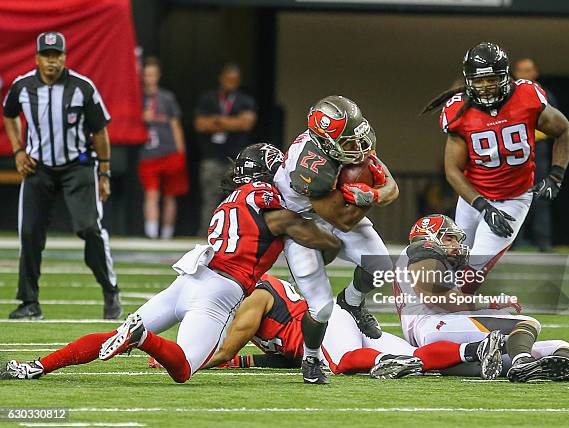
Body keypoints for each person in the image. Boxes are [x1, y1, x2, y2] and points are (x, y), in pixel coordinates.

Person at [5, 143, 342, 383]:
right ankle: (143, 338)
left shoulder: (229, 201)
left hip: (188, 281)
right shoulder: (272, 207)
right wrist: (333, 226)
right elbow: (321, 244)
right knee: (183, 370)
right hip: (218, 292)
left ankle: (35, 367)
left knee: (116, 332)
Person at [421, 42, 569, 294]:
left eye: (491, 79)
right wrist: (482, 205)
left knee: (471, 276)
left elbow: (564, 129)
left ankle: (458, 325)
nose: (484, 87)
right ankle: (433, 319)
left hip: (513, 199)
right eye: (478, 81)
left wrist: (556, 174)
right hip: (473, 198)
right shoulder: (458, 110)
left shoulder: (526, 97)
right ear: (468, 81)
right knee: (452, 264)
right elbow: (453, 171)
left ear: (505, 76)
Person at [393, 214, 569, 382]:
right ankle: (522, 361)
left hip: (442, 339)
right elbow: (437, 298)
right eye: (450, 238)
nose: (456, 245)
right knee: (527, 324)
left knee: (562, 348)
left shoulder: (435, 262)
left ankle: (554, 370)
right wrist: (491, 303)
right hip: (434, 327)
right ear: (429, 236)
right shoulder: (421, 249)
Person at [274, 95, 400, 384]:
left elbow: (391, 187)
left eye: (358, 138)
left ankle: (353, 302)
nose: (359, 147)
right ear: (326, 143)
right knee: (320, 307)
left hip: (338, 209)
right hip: (301, 223)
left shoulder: (350, 144)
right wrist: (368, 195)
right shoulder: (311, 167)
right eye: (349, 142)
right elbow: (341, 219)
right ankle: (311, 358)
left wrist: (371, 194)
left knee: (380, 266)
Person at [2, 32, 121, 320]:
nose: (52, 62)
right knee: (29, 233)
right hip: (38, 167)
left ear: (65, 57)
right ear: (37, 58)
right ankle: (29, 302)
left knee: (89, 228)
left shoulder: (83, 88)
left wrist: (104, 172)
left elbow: (100, 131)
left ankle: (110, 290)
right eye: (47, 55)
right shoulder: (22, 86)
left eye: (57, 56)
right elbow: (9, 114)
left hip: (77, 166)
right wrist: (18, 151)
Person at [198, 274, 505, 380]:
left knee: (343, 363)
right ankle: (476, 348)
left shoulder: (255, 296)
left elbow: (224, 351)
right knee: (418, 358)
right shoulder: (254, 299)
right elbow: (288, 356)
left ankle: (387, 363)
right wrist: (242, 362)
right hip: (335, 324)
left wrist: (189, 361)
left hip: (330, 324)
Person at [194, 63, 257, 233]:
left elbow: (246, 123)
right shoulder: (208, 99)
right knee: (210, 198)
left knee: (238, 198)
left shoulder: (245, 100)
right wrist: (233, 122)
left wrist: (217, 121)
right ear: (221, 78)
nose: (231, 84)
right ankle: (206, 234)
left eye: (234, 81)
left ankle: (237, 233)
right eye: (228, 80)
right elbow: (200, 124)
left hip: (236, 158)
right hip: (212, 157)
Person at [138, 57, 188, 239]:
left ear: (158, 76)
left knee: (170, 195)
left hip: (169, 151)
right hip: (148, 153)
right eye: (146, 74)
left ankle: (167, 235)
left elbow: (176, 125)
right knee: (151, 194)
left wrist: (180, 151)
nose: (150, 78)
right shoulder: (137, 98)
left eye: (153, 74)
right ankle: (151, 234)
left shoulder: (167, 98)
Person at [512, 58, 558, 252]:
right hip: (513, 152)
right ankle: (513, 241)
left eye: (528, 70)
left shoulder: (543, 95)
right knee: (513, 197)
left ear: (535, 73)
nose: (525, 75)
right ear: (515, 73)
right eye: (521, 71)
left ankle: (543, 241)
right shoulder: (509, 95)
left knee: (540, 195)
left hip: (537, 150)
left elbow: (555, 123)